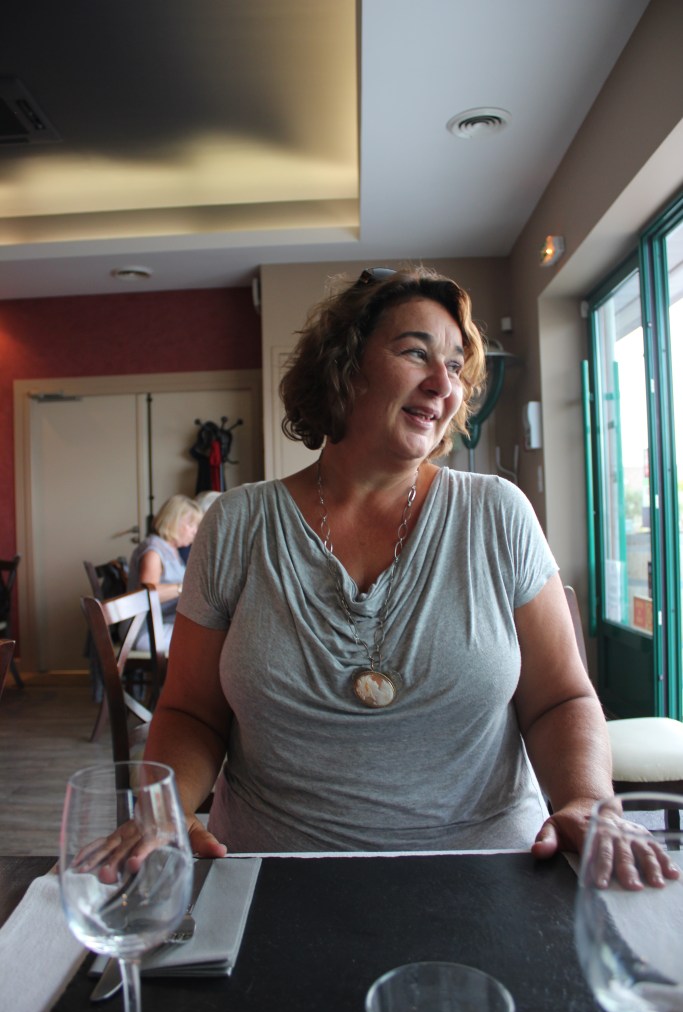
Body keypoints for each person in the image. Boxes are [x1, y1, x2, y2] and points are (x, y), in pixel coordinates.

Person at [144, 265, 615, 864]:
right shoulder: (237, 523)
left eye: (455, 367)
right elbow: (190, 711)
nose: (442, 385)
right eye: (416, 353)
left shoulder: (498, 512)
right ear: (343, 367)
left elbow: (560, 699)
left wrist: (586, 799)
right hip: (272, 874)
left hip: (489, 870)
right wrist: (166, 811)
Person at [127, 494, 202, 652]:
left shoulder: (171, 549)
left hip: (162, 624)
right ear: (174, 521)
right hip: (146, 631)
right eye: (191, 525)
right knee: (206, 643)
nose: (195, 532)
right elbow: (145, 595)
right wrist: (183, 588)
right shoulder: (153, 551)